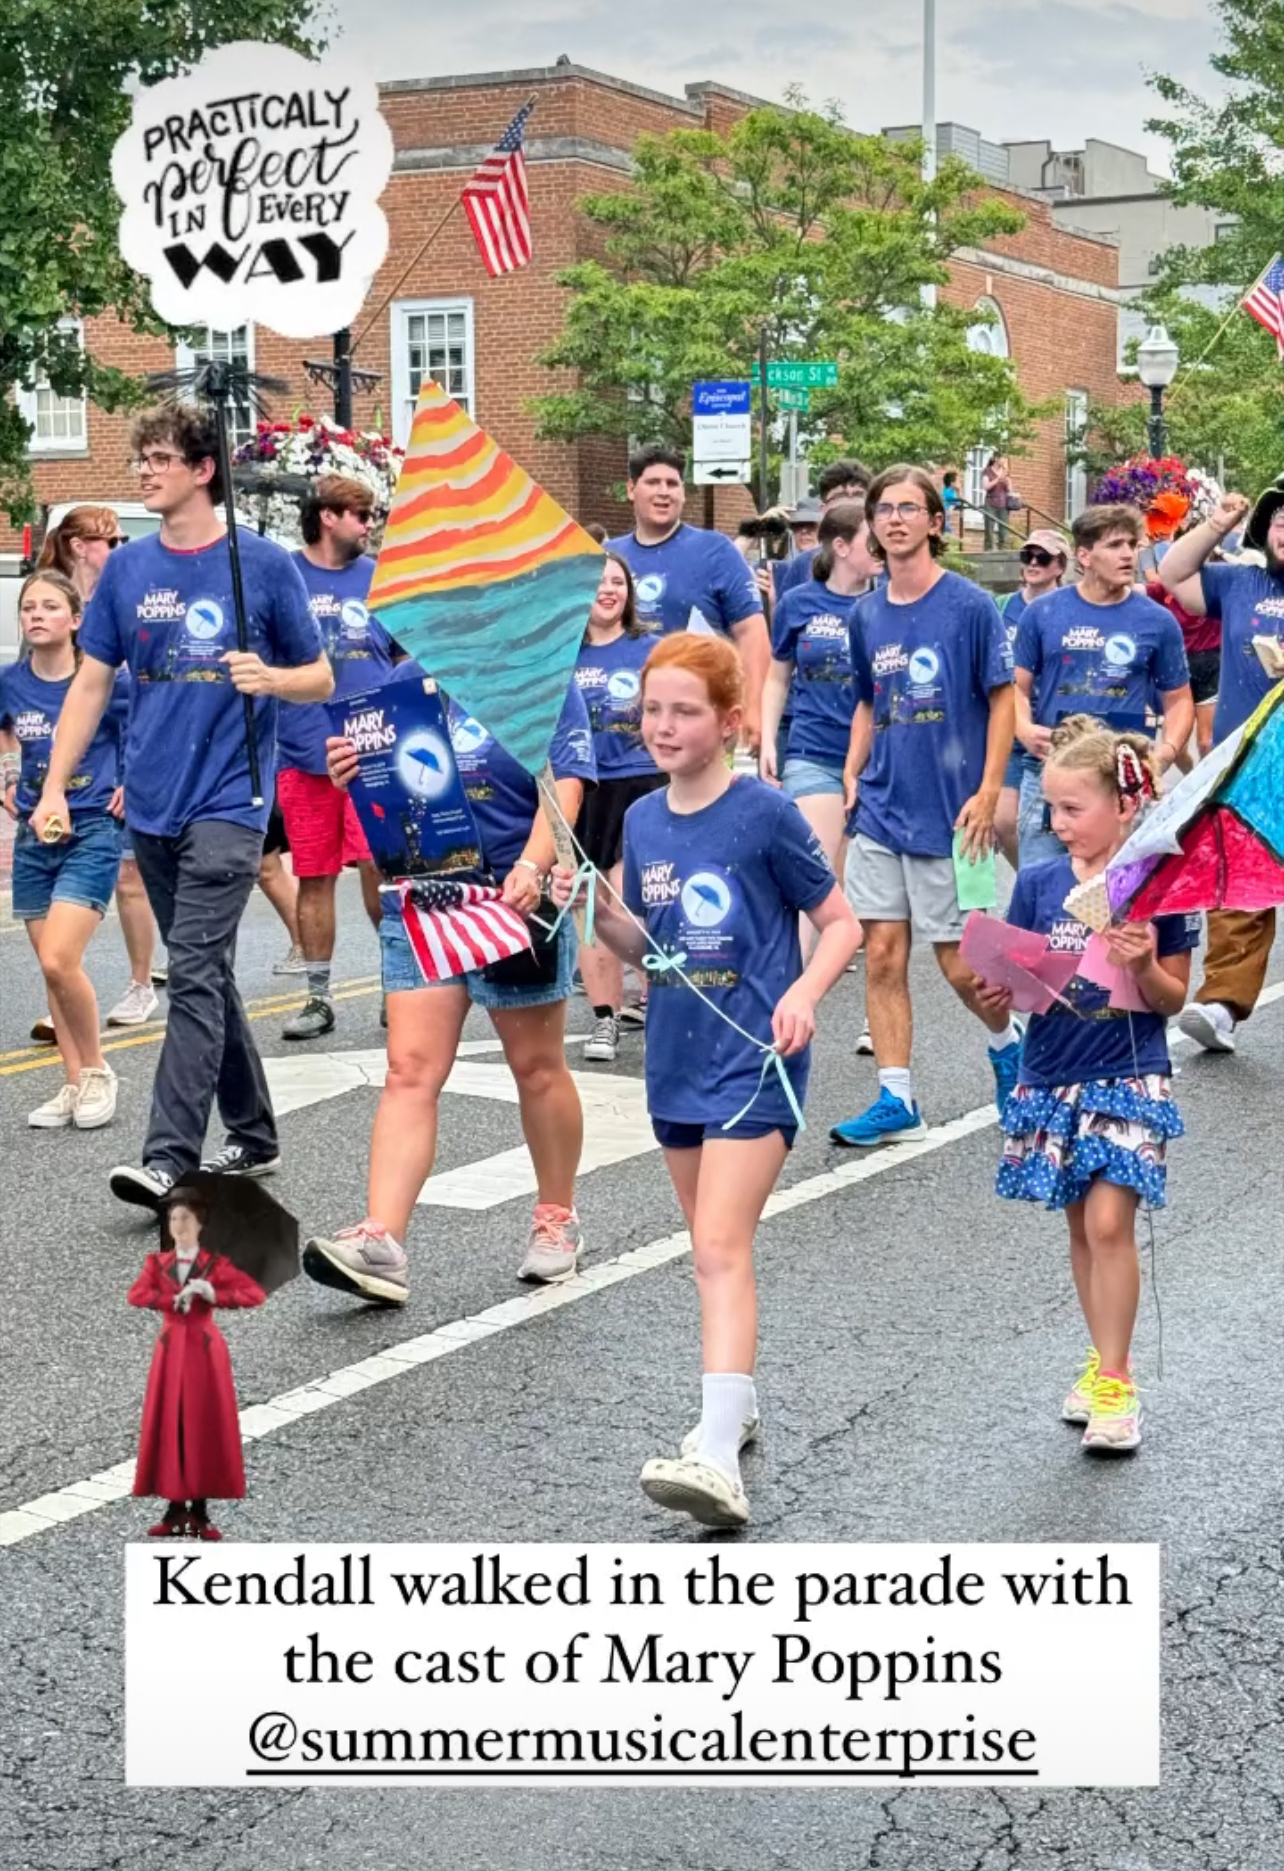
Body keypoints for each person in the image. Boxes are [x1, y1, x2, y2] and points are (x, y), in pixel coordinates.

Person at [552, 633, 861, 1528]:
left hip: (755, 1059)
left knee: (719, 1247)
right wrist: (599, 916)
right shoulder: (643, 819)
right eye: (652, 709)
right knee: (709, 1248)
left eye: (684, 710)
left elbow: (837, 923)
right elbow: (647, 946)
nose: (662, 725)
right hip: (676, 1060)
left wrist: (803, 994)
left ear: (730, 722)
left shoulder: (764, 812)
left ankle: (717, 1450)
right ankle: (739, 1399)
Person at [31, 404, 332, 1209]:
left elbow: (321, 677)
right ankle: (256, 1131)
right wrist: (56, 785)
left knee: (192, 971)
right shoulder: (128, 574)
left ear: (203, 470)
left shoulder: (262, 565)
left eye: (161, 457)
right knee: (207, 975)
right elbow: (92, 683)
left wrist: (270, 679)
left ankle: (168, 1157)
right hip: (152, 804)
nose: (145, 470)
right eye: (142, 458)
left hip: (232, 800)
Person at [304, 680, 596, 1304]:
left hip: (512, 897)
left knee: (537, 1068)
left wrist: (532, 864)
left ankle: (556, 1217)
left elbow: (565, 787)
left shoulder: (538, 678)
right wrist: (351, 775)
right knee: (409, 1069)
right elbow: (390, 791)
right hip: (426, 895)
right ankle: (381, 1241)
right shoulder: (402, 690)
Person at [980, 718, 1197, 1455]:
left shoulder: (1158, 886)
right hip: (1052, 1072)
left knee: (1110, 1224)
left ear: (1123, 806)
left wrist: (1140, 963)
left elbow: (1173, 998)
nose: (1056, 822)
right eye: (1052, 808)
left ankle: (1117, 1383)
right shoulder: (1039, 881)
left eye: (1073, 808)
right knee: (1080, 1227)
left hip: (1130, 1071)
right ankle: (1103, 1355)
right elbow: (1013, 986)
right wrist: (993, 991)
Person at [832, 464, 1021, 1147]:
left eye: (910, 508)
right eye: (884, 510)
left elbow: (1003, 697)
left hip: (953, 813)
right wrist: (853, 772)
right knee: (881, 952)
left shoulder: (969, 606)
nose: (895, 519)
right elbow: (866, 701)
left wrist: (990, 787)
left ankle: (1008, 1045)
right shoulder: (866, 612)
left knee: (960, 963)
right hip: (882, 806)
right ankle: (896, 1097)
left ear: (936, 522)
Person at [0, 571, 126, 1130]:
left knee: (59, 957)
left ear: (76, 620)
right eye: (28, 607)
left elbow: (139, 733)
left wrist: (132, 782)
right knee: (51, 972)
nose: (36, 615)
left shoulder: (102, 680)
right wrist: (7, 774)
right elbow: (5, 733)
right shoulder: (9, 682)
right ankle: (73, 1082)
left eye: (50, 606)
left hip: (94, 826)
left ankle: (99, 1070)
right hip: (34, 833)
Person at [1157, 484, 1278, 1054]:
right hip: (1244, 763)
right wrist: (1215, 524)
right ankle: (1222, 1003)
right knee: (1240, 887)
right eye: (1279, 522)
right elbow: (1173, 574)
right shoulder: (1239, 583)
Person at [274, 474, 392, 1041]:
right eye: (359, 515)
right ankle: (318, 998)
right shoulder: (286, 576)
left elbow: (405, 656)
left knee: (379, 867)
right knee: (314, 876)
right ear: (327, 516)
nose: (368, 526)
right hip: (304, 750)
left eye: (370, 516)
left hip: (375, 752)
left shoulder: (380, 579)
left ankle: (398, 983)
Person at [1013, 505, 1193, 870]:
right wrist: (1024, 729)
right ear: (1084, 556)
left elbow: (1179, 701)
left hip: (1122, 780)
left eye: (1131, 544)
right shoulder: (1042, 613)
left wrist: (1166, 753)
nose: (1128, 554)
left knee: (1118, 900)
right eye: (1114, 545)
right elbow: (1014, 688)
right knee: (1045, 892)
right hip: (1051, 773)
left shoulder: (1157, 621)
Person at [37, 505, 163, 1028]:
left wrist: (132, 777)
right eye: (102, 541)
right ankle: (66, 994)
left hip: (123, 757)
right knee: (58, 884)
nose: (111, 550)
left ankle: (141, 985)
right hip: (67, 765)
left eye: (115, 541)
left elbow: (143, 697)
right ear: (73, 545)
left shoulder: (126, 602)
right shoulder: (48, 604)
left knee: (129, 878)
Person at [761, 501, 876, 950]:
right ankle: (788, 992)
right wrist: (768, 738)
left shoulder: (887, 602)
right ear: (842, 546)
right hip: (812, 749)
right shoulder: (798, 602)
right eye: (872, 540)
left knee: (854, 885)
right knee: (815, 869)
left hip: (875, 758)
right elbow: (777, 675)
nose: (883, 548)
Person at [607, 443, 770, 749]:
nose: (663, 492)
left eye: (672, 484)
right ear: (631, 489)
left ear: (682, 492)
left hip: (700, 717)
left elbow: (753, 633)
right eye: (653, 483)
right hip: (622, 726)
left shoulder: (715, 551)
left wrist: (753, 707)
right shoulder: (608, 558)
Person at [127, 1187, 266, 1539]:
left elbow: (253, 1294)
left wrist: (212, 1293)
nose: (178, 1225)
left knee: (203, 1424)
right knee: (171, 1422)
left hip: (204, 1351)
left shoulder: (215, 1266)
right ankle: (175, 1508)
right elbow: (137, 1294)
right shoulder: (157, 1264)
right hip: (172, 1349)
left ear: (200, 1224)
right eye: (174, 1219)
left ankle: (200, 1511)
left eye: (185, 1219)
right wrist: (172, 1298)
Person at [573, 554, 666, 1062]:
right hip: (582, 790)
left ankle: (658, 1002)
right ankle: (605, 1018)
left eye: (617, 582)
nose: (609, 590)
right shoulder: (562, 655)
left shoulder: (650, 650)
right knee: (589, 906)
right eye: (598, 582)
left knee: (635, 902)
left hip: (641, 787)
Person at [994, 529, 1069, 866]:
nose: (1033, 563)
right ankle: (1030, 881)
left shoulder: (1068, 609)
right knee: (1004, 821)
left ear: (1060, 566)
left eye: (1043, 558)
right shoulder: (1000, 607)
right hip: (1008, 723)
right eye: (1028, 556)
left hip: (1052, 725)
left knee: (1062, 820)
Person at [772, 459, 873, 601]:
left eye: (858, 495)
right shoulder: (804, 564)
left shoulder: (886, 561)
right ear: (823, 509)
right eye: (840, 496)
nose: (850, 503)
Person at [981, 454, 1012, 552]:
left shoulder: (1005, 472)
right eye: (1003, 458)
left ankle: (1003, 552)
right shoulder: (987, 471)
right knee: (989, 530)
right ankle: (988, 551)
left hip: (1003, 505)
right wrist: (998, 478)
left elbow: (1010, 490)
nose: (1004, 461)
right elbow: (986, 486)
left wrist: (1008, 481)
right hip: (990, 503)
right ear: (996, 459)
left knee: (1004, 531)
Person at [942, 469, 963, 539]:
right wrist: (959, 490)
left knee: (950, 539)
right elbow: (960, 503)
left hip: (946, 520)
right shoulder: (948, 493)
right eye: (958, 481)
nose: (960, 483)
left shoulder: (949, 491)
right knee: (952, 539)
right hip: (944, 520)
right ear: (952, 483)